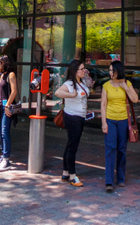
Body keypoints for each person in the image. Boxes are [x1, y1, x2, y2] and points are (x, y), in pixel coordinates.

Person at [101, 60, 138, 193]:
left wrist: (126, 88)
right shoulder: (106, 86)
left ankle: (121, 178)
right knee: (110, 149)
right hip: (110, 120)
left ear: (118, 71)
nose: (110, 73)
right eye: (109, 71)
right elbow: (103, 105)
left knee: (122, 149)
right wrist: (104, 123)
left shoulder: (127, 84)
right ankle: (109, 181)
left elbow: (135, 99)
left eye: (113, 70)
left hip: (123, 121)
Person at [54, 59, 90, 187]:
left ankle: (65, 172)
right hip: (72, 117)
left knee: (70, 144)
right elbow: (57, 92)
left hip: (80, 117)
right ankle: (73, 175)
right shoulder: (70, 84)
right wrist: (71, 95)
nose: (83, 71)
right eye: (81, 69)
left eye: (84, 68)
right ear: (75, 71)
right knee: (73, 146)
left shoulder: (82, 82)